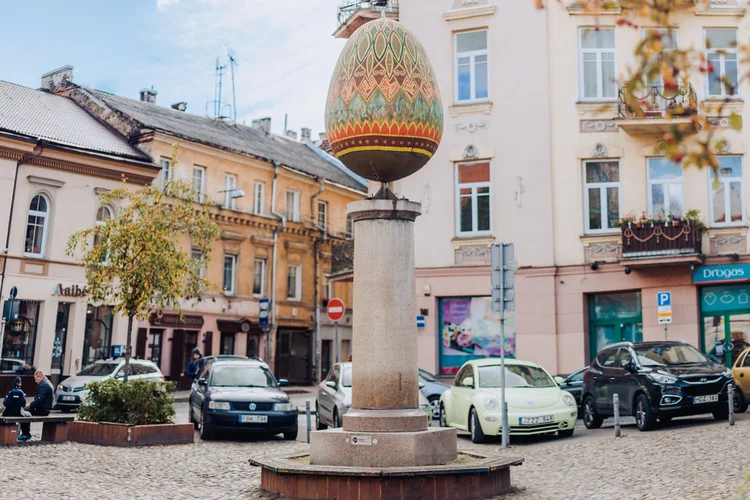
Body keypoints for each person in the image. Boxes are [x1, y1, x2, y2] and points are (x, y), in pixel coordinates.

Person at [19, 370, 54, 441]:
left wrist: (30, 405)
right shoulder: (47, 383)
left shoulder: (43, 385)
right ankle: (26, 433)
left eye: (36, 379)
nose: (35, 381)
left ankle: (26, 434)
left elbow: (39, 400)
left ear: (40, 377)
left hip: (43, 410)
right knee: (27, 411)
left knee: (24, 412)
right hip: (45, 409)